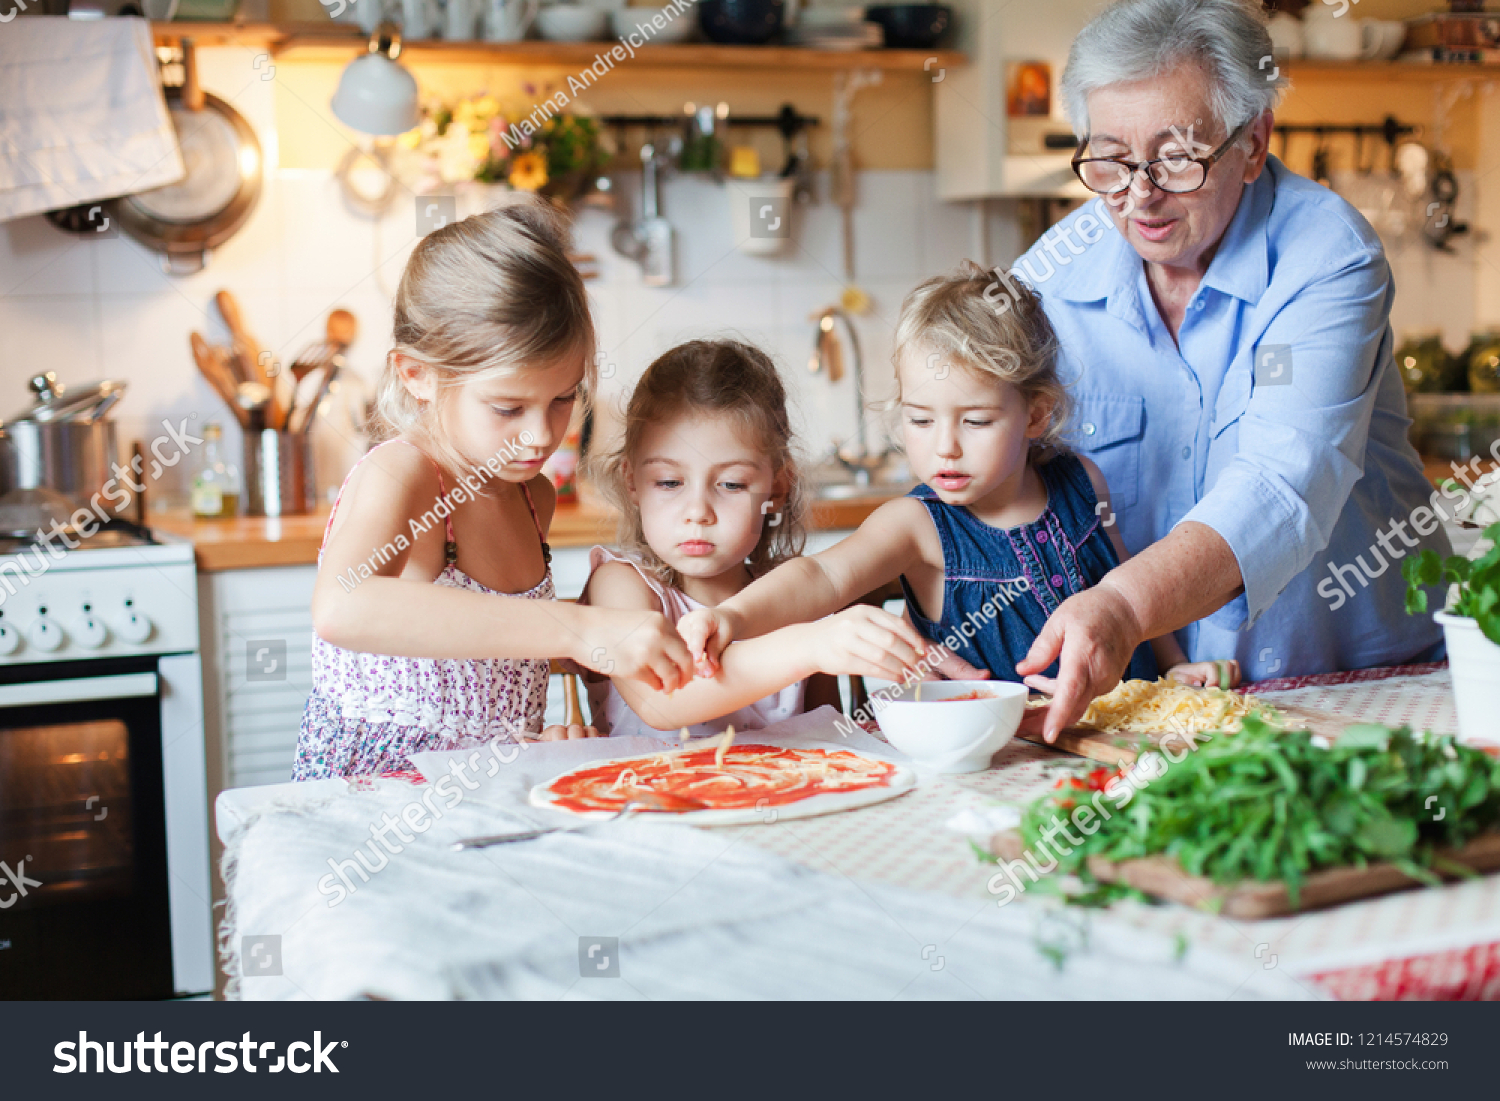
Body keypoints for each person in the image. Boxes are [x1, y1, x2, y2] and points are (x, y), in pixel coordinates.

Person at [1003, 0, 1448, 741]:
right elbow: (983, 457)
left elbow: (1281, 481)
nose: (1139, 193)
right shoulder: (1050, 275)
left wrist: (1122, 604)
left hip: (1354, 694)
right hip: (1154, 708)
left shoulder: (1327, 256)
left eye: (1176, 156)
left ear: (1253, 141)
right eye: (1109, 157)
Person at [676, 268, 1239, 693]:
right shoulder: (915, 525)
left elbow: (1127, 588)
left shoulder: (1082, 482)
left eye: (974, 421)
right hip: (998, 767)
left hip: (1121, 739)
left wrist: (1174, 667)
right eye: (920, 419)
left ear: (1036, 415)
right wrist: (733, 617)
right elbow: (820, 576)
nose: (944, 445)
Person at [294, 197, 695, 779]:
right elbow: (342, 605)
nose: (541, 436)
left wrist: (570, 677)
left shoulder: (533, 498)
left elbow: (480, 643)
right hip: (378, 803)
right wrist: (578, 630)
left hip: (483, 792)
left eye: (563, 398)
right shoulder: (406, 474)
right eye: (508, 407)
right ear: (418, 375)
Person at [580, 339, 932, 740]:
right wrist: (812, 645)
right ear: (632, 482)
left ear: (777, 487)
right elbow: (661, 702)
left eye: (731, 484)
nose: (698, 511)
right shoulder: (621, 585)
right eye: (669, 482)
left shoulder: (796, 603)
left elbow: (827, 737)